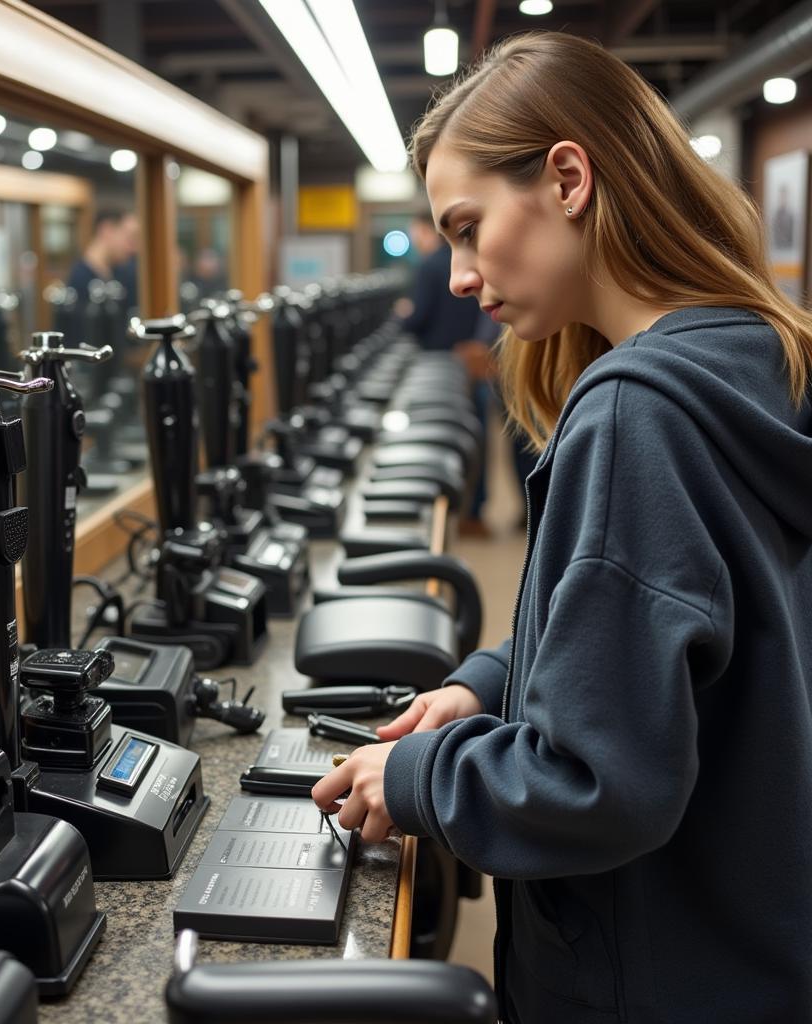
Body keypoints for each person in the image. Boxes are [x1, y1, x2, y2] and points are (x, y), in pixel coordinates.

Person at [312, 31, 812, 1024]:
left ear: (569, 178)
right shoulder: (751, 357)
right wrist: (490, 684)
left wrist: (410, 774)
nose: (456, 276)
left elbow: (597, 783)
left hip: (649, 975)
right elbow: (685, 634)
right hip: (749, 947)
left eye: (466, 226)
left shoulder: (637, 415)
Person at [402, 210, 499, 534]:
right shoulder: (475, 263)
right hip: (473, 359)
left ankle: (445, 508)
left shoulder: (429, 267)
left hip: (439, 364)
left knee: (444, 440)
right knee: (475, 436)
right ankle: (474, 509)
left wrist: (401, 317)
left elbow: (420, 319)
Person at [65, 207, 139, 344]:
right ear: (107, 230)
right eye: (130, 238)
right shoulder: (80, 280)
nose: (134, 248)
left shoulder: (119, 275)